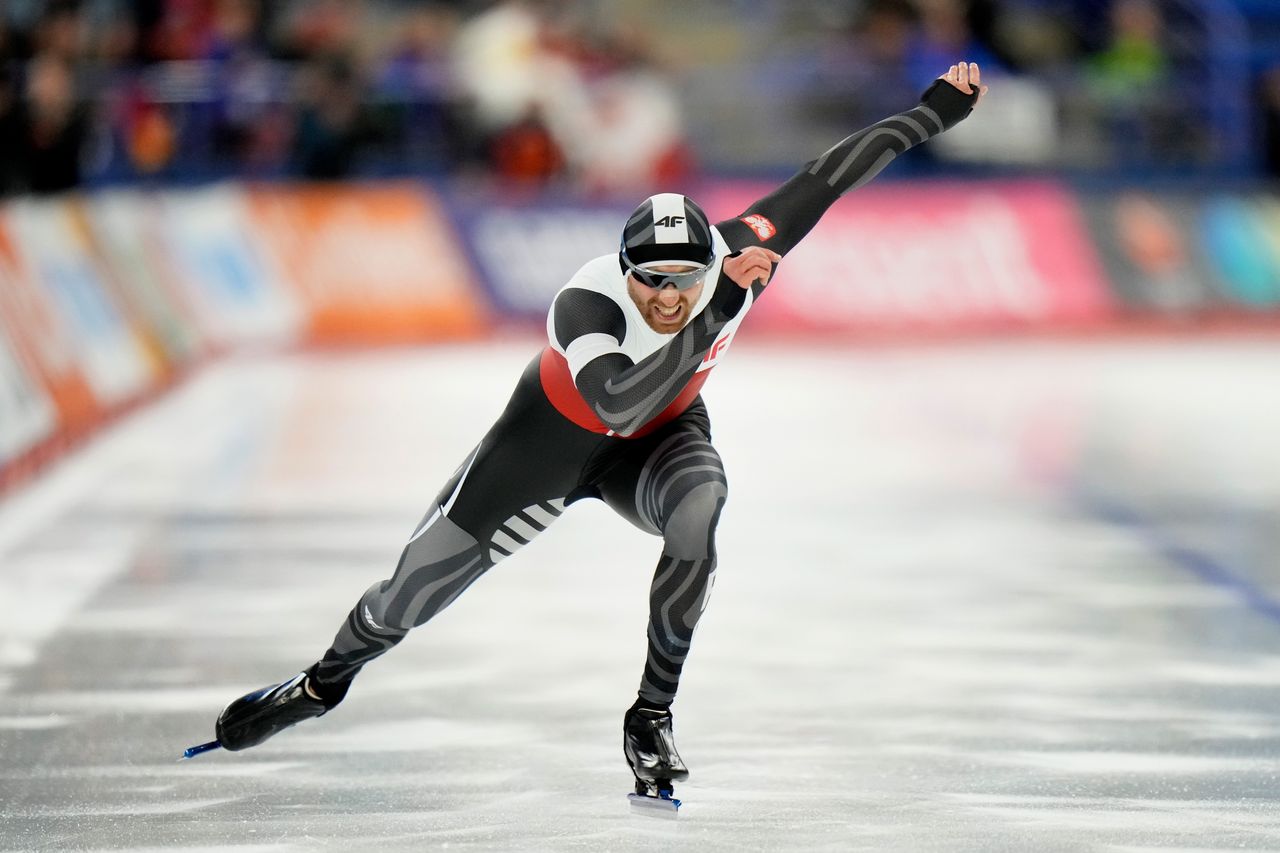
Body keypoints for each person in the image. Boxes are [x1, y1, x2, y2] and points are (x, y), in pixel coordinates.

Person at [202, 61, 989, 803]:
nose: (670, 297)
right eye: (653, 281)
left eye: (686, 279)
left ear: (709, 261)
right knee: (404, 600)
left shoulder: (741, 250)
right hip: (545, 446)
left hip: (661, 436)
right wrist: (716, 309)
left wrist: (929, 114)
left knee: (700, 508)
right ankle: (321, 682)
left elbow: (830, 176)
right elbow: (615, 401)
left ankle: (650, 716)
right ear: (625, 270)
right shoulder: (589, 302)